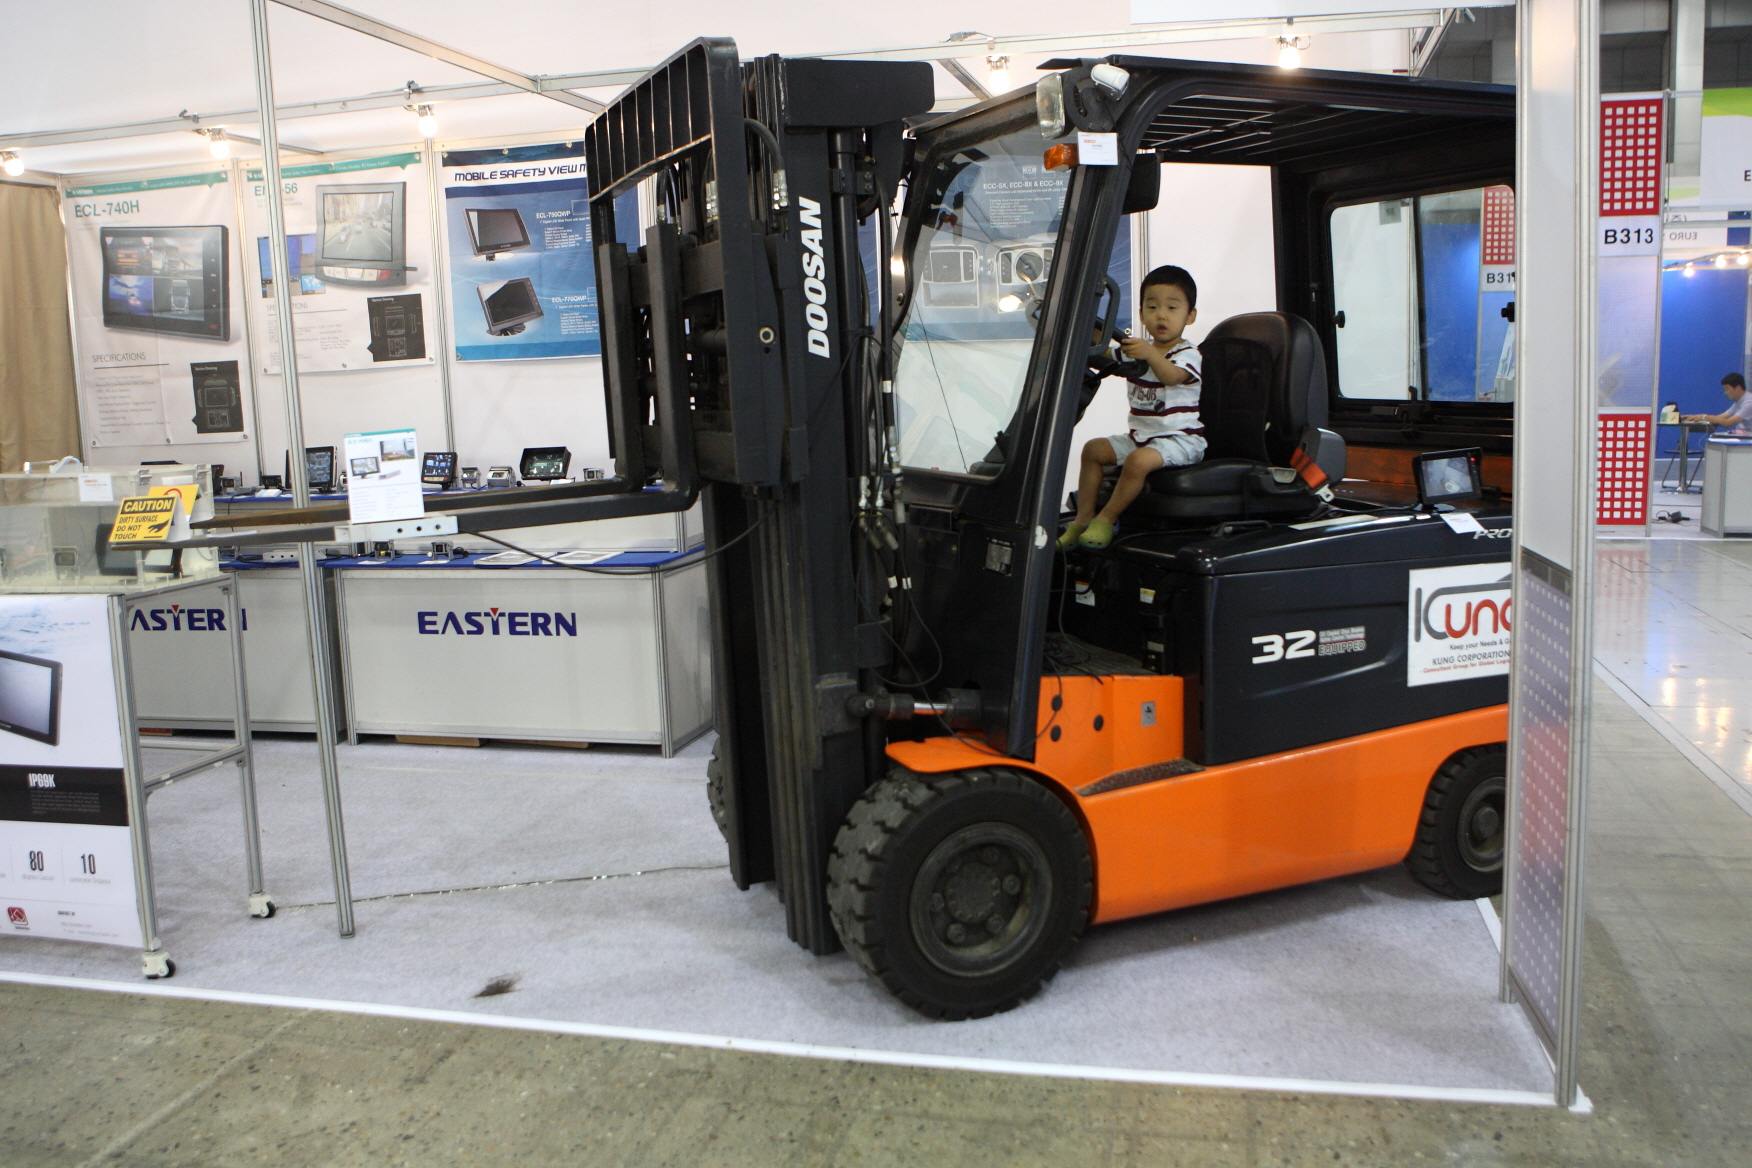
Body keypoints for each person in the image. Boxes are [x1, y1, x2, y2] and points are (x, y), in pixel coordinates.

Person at [1059, 265, 1205, 550]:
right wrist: (1084, 330)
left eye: (1172, 308)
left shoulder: (1188, 354)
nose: (1161, 315)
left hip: (1180, 440)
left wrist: (1150, 354)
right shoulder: (1137, 350)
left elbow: (1171, 376)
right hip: (1141, 438)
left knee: (1138, 462)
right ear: (1141, 314)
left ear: (1190, 316)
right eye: (1152, 307)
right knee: (1093, 450)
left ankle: (1106, 519)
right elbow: (1104, 352)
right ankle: (1082, 519)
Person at [1682, 373, 1752, 432]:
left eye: (1727, 389)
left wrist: (1703, 417)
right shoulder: (1739, 402)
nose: (1725, 393)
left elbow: (1727, 423)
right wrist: (1695, 417)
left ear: (1738, 388)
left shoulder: (1749, 403)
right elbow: (1719, 418)